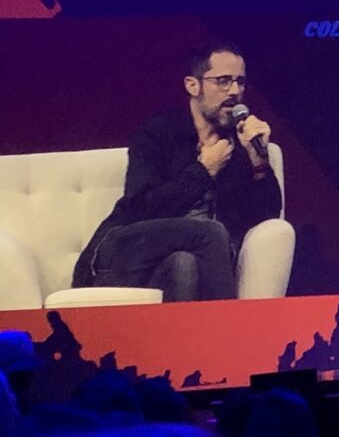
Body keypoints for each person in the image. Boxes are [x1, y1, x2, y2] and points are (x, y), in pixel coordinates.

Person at [71, 42, 284, 301]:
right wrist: (203, 170)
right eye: (223, 81)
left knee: (185, 265)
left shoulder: (239, 144)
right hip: (126, 250)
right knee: (211, 232)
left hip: (177, 264)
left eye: (240, 81)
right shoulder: (159, 132)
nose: (235, 91)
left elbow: (268, 218)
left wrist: (258, 163)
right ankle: (228, 330)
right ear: (193, 85)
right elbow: (142, 207)